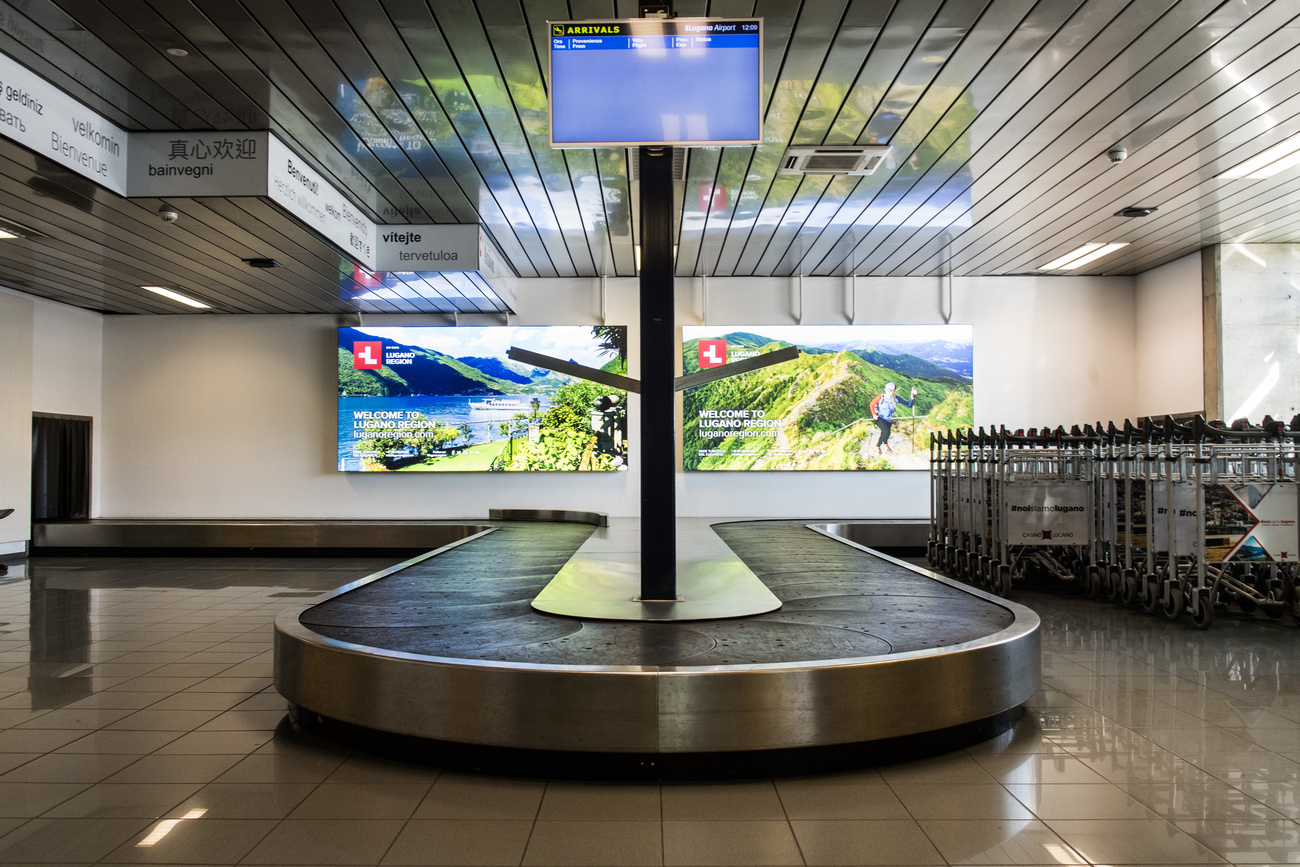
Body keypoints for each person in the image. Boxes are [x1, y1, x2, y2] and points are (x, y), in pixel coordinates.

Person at [869, 382, 917, 454]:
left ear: (894, 391)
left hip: (889, 419)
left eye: (890, 391)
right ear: (885, 390)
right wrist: (874, 414)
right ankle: (878, 445)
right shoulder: (880, 397)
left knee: (886, 433)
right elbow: (872, 404)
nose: (888, 392)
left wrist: (912, 395)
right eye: (887, 390)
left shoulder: (896, 398)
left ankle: (885, 443)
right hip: (879, 417)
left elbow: (909, 405)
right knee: (886, 431)